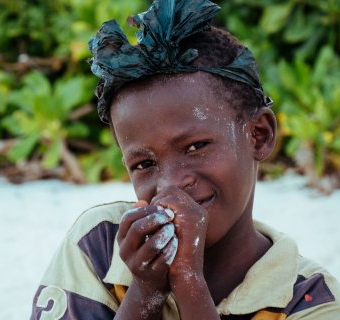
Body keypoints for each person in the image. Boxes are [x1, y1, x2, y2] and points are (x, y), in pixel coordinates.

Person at [30, 1, 340, 319]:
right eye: (144, 164)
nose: (171, 183)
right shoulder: (98, 245)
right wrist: (146, 291)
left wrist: (188, 281)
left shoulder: (312, 299)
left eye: (195, 147)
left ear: (258, 135)